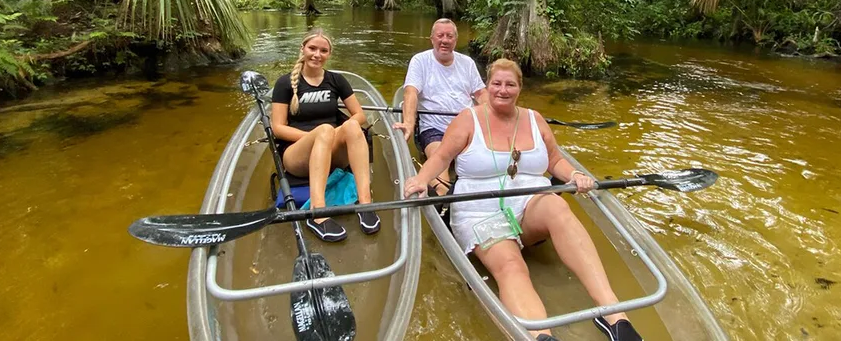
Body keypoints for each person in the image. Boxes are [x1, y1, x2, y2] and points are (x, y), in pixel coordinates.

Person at [403, 59, 643, 341]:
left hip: (529, 202)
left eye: (510, 84)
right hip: (479, 209)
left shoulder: (534, 118)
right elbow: (442, 157)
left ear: (520, 87)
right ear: (487, 86)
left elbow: (554, 160)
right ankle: (540, 335)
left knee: (557, 205)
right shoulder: (468, 119)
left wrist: (576, 174)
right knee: (511, 265)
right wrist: (420, 180)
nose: (502, 90)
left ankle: (612, 313)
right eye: (497, 84)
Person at [271, 29, 380, 242]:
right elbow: (278, 127)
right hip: (297, 154)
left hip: (330, 152)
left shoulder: (336, 80)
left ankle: (366, 203)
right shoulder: (285, 83)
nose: (317, 54)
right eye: (312, 48)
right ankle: (318, 213)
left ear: (329, 54)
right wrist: (317, 136)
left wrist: (339, 131)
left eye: (323, 50)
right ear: (302, 49)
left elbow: (360, 115)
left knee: (351, 127)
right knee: (325, 129)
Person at [393, 18, 486, 195]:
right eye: (440, 35)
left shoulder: (467, 63)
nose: (445, 40)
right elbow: (410, 93)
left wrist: (499, 116)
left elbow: (481, 94)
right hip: (434, 129)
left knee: (480, 173)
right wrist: (409, 123)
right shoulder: (420, 60)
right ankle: (442, 205)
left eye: (449, 36)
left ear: (455, 40)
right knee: (442, 182)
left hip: (466, 128)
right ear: (432, 39)